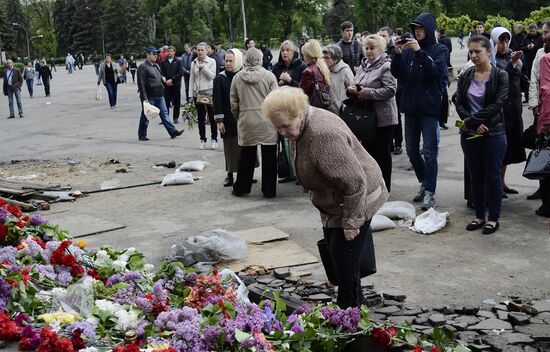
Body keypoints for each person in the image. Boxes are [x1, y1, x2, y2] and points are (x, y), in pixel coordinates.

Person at [262, 87, 388, 308]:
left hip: (356, 197)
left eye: (285, 126)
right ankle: (357, 305)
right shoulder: (302, 124)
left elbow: (355, 182)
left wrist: (351, 222)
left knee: (345, 262)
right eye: (277, 127)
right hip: (336, 199)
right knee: (338, 257)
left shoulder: (322, 135)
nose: (282, 132)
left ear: (299, 114)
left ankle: (349, 315)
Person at [390, 12, 449, 210]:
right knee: (412, 151)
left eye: (421, 28)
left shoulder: (439, 49)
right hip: (410, 107)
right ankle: (425, 183)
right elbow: (398, 74)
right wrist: (397, 54)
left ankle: (430, 193)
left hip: (430, 108)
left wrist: (419, 52)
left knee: (430, 153)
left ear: (429, 29)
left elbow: (436, 72)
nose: (417, 31)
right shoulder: (407, 51)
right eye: (415, 28)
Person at [455, 35, 509, 235]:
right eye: (471, 51)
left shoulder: (500, 75)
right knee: (475, 176)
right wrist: (471, 124)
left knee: (493, 176)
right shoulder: (466, 74)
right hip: (470, 134)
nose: (474, 55)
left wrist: (472, 121)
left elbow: (497, 105)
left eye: (478, 51)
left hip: (493, 133)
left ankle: (493, 218)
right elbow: (458, 101)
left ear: (488, 51)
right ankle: (479, 215)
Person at [346, 34, 398, 192]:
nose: (368, 51)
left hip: (383, 119)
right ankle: (373, 186)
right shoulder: (363, 65)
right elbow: (356, 83)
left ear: (381, 49)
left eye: (372, 48)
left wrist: (366, 92)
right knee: (368, 154)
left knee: (382, 154)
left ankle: (385, 188)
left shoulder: (387, 66)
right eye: (366, 48)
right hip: (366, 119)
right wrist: (351, 89)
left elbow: (391, 90)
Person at [230, 48, 278, 198]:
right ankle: (269, 190)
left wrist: (240, 117)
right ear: (260, 59)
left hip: (246, 119)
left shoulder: (237, 78)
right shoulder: (269, 76)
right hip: (267, 121)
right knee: (269, 156)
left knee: (246, 156)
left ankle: (242, 187)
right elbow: (276, 101)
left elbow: (234, 102)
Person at [491, 27, 526, 195]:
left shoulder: (512, 55)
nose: (504, 45)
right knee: (498, 148)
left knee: (510, 148)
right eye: (500, 42)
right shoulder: (490, 58)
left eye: (506, 41)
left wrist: (517, 63)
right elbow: (498, 79)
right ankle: (496, 184)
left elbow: (520, 78)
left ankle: (502, 181)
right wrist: (512, 64)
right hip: (500, 111)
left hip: (514, 108)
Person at [137, 47, 184, 141]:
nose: (155, 55)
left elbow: (160, 78)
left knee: (164, 114)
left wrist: (164, 82)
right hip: (149, 96)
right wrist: (144, 98)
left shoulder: (156, 66)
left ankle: (173, 132)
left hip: (159, 95)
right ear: (148, 55)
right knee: (145, 116)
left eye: (156, 54)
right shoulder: (143, 66)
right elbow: (141, 83)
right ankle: (142, 134)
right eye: (153, 53)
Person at [213, 49, 244, 187]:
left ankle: (245, 173)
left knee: (245, 148)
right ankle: (230, 175)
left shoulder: (243, 75)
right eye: (226, 61)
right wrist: (219, 121)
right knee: (230, 149)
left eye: (231, 61)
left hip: (243, 118)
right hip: (228, 119)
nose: (228, 63)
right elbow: (217, 101)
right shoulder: (220, 78)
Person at [527, 21, 550, 203]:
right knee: (541, 150)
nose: (544, 36)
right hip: (542, 111)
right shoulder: (540, 53)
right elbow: (534, 79)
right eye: (543, 33)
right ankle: (542, 189)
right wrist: (534, 104)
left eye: (547, 33)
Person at [189, 42, 218, 149]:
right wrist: (190, 94)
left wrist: (204, 68)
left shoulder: (212, 61)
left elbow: (212, 76)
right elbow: (192, 79)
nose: (200, 52)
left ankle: (214, 139)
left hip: (208, 92)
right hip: (198, 93)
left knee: (211, 117)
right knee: (200, 118)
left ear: (207, 51)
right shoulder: (194, 62)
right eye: (198, 50)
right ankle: (203, 140)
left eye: (202, 50)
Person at [379, 27, 403, 155]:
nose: (382, 38)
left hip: (396, 88)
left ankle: (398, 143)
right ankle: (391, 144)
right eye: (380, 36)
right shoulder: (379, 50)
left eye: (384, 36)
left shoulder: (394, 50)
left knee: (396, 116)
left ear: (390, 37)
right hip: (382, 88)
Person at [534, 36, 550, 217]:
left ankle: (547, 206)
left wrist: (545, 122)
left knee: (546, 164)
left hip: (548, 119)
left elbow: (546, 91)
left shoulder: (546, 59)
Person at [322, 44, 354, 114]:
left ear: (335, 59)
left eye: (327, 58)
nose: (324, 60)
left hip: (341, 111)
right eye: (323, 57)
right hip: (328, 110)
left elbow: (353, 89)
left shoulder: (345, 70)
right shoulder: (325, 70)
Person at [300, 39, 331, 110]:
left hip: (312, 108)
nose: (303, 56)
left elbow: (301, 94)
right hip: (324, 107)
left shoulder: (308, 71)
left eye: (304, 54)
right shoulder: (323, 67)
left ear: (308, 55)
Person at [160, 46, 183, 124]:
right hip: (166, 85)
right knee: (166, 102)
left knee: (176, 102)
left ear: (174, 52)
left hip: (176, 84)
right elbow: (161, 72)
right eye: (168, 51)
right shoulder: (163, 62)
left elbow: (180, 73)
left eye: (171, 51)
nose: (169, 52)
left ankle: (175, 117)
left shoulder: (178, 61)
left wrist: (172, 79)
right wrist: (165, 81)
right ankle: (165, 118)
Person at [522, 24, 544, 103]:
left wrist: (535, 47)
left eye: (533, 31)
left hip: (539, 60)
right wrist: (527, 47)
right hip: (528, 60)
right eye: (530, 31)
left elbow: (543, 48)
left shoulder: (541, 37)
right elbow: (522, 48)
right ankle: (528, 97)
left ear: (536, 30)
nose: (531, 33)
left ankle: (540, 96)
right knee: (528, 78)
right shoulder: (526, 38)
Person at [437, 28, 453, 130]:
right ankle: (442, 121)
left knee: (443, 97)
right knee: (444, 97)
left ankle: (441, 120)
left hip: (443, 68)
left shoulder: (439, 44)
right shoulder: (448, 40)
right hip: (447, 65)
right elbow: (450, 50)